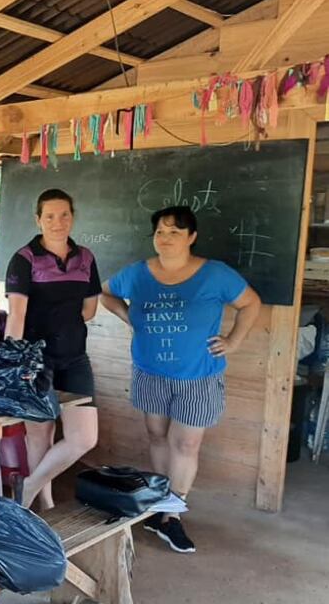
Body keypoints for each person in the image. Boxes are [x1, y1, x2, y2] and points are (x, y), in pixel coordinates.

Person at [101, 205, 260, 553]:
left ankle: (172, 514)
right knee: (157, 436)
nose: (166, 238)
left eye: (175, 231)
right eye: (160, 231)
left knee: (186, 444)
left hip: (198, 376)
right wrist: (130, 318)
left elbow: (251, 303)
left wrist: (233, 341)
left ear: (191, 237)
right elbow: (106, 292)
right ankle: (159, 507)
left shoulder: (215, 274)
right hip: (149, 371)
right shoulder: (138, 273)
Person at [4, 188, 100, 511]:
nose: (57, 222)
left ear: (72, 217)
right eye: (49, 216)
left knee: (84, 437)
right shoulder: (24, 259)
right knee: (39, 436)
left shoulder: (86, 258)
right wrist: (13, 364)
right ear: (38, 220)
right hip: (35, 360)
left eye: (64, 215)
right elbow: (16, 316)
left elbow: (90, 310)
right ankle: (44, 507)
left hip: (75, 359)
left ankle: (28, 486)